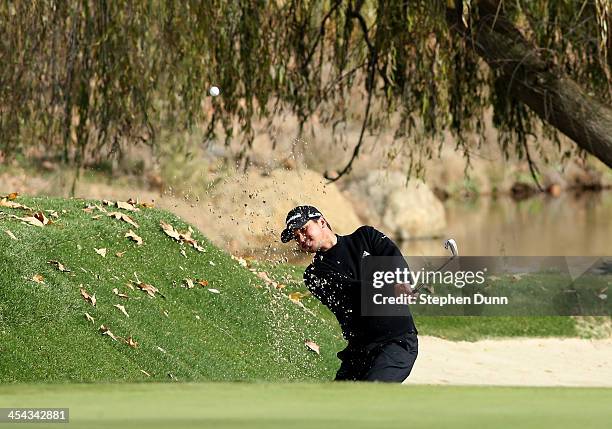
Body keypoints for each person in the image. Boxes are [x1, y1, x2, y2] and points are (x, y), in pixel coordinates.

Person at [280, 205, 418, 382]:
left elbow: (394, 260)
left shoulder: (366, 237)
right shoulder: (314, 275)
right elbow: (352, 291)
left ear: (321, 222)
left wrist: (401, 281)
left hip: (396, 342)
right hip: (359, 351)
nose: (301, 239)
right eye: (295, 237)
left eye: (304, 229)